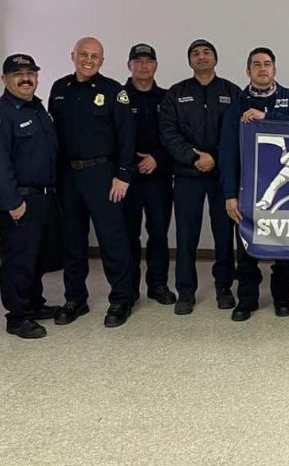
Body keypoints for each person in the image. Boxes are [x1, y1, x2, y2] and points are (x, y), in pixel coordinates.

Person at [49, 37, 136, 328]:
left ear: (102, 60)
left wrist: (123, 174)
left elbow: (127, 135)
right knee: (73, 240)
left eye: (95, 56)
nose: (88, 60)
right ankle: (75, 298)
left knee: (112, 239)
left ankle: (121, 299)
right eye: (83, 54)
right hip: (68, 176)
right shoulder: (59, 89)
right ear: (72, 55)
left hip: (103, 174)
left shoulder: (114, 91)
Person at [220, 47, 289, 321]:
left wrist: (267, 117)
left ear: (275, 70)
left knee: (284, 246)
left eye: (267, 64)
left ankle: (282, 297)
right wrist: (229, 194)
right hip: (249, 189)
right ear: (248, 71)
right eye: (256, 64)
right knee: (247, 248)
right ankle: (247, 299)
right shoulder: (237, 104)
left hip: (286, 183)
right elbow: (227, 152)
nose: (262, 68)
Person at [159, 39, 239, 315]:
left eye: (207, 52)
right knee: (186, 236)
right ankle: (185, 291)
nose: (201, 57)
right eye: (195, 53)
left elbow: (237, 131)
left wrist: (215, 157)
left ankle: (224, 288)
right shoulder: (176, 93)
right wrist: (195, 157)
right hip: (187, 175)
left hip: (222, 176)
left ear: (215, 58)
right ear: (189, 60)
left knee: (224, 235)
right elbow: (168, 133)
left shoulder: (231, 92)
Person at [0, 54, 62, 339]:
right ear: (4, 79)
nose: (26, 78)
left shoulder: (37, 108)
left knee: (37, 256)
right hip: (20, 200)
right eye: (18, 74)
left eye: (30, 73)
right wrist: (13, 203)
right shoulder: (5, 113)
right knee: (19, 260)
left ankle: (34, 304)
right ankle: (17, 316)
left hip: (45, 197)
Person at [122, 43, 175, 306]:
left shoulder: (167, 98)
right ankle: (129, 289)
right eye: (138, 61)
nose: (143, 65)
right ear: (128, 65)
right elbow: (111, 138)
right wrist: (131, 164)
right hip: (126, 180)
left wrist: (157, 158)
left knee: (158, 235)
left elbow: (174, 136)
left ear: (156, 65)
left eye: (148, 61)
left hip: (159, 177)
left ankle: (158, 285)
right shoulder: (117, 96)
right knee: (128, 235)